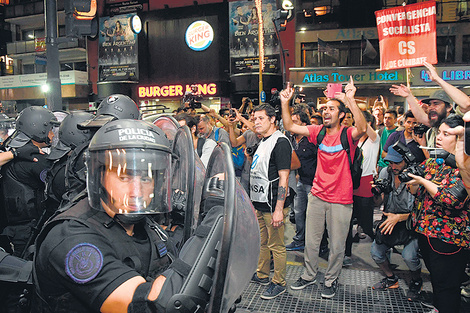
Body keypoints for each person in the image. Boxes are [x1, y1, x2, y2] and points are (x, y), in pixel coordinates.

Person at [34, 119, 259, 312]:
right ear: (99, 176)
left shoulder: (141, 222)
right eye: (124, 177)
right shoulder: (72, 240)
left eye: (145, 178)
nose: (136, 190)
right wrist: (215, 219)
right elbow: (157, 304)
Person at [280, 78, 366, 299]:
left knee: (336, 246)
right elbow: (289, 126)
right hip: (317, 195)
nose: (326, 112)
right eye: (324, 109)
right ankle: (309, 275)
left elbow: (363, 127)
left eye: (331, 109)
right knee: (311, 241)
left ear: (341, 115)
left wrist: (350, 99)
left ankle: (331, 279)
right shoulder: (317, 131)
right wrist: (285, 103)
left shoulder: (348, 134)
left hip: (341, 199)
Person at [406, 114, 469, 313]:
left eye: (446, 134)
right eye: (439, 133)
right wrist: (414, 183)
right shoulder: (435, 161)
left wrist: (423, 181)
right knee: (437, 280)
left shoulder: (465, 168)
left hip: (449, 238)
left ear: (461, 138)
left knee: (447, 286)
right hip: (426, 233)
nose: (439, 137)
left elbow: (451, 199)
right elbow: (415, 190)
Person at [0, 106, 58, 258]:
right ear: (39, 129)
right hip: (27, 231)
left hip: (13, 231)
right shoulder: (34, 158)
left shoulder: (12, 153)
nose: (52, 133)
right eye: (50, 128)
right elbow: (59, 186)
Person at [249, 104, 292, 300]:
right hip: (260, 203)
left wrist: (279, 209)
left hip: (273, 204)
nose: (256, 122)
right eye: (254, 119)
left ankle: (279, 282)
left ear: (272, 119)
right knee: (262, 243)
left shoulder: (280, 142)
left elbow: (284, 177)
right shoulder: (263, 141)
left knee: (277, 246)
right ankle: (262, 274)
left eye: (261, 118)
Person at [370, 147, 423, 302]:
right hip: (389, 220)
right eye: (391, 162)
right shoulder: (386, 173)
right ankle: (391, 279)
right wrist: (375, 193)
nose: (393, 167)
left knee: (409, 256)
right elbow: (378, 202)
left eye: (397, 163)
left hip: (410, 222)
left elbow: (421, 211)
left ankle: (416, 280)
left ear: (407, 160)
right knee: (376, 252)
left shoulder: (415, 177)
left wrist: (399, 217)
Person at [344, 110, 379, 266]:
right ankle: (346, 253)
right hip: (351, 183)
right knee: (348, 221)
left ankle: (382, 248)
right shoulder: (354, 139)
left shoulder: (374, 139)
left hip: (365, 183)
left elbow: (366, 129)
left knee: (366, 223)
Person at [285, 109, 316, 252]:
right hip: (300, 181)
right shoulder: (290, 138)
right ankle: (299, 240)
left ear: (304, 124)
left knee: (313, 215)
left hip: (314, 182)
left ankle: (315, 244)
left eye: (295, 122)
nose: (291, 125)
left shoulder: (312, 139)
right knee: (298, 212)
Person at [377, 109, 398, 173]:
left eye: (389, 118)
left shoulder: (398, 132)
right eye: (385, 118)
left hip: (393, 165)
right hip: (381, 165)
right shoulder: (381, 131)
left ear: (395, 120)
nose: (386, 120)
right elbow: (378, 150)